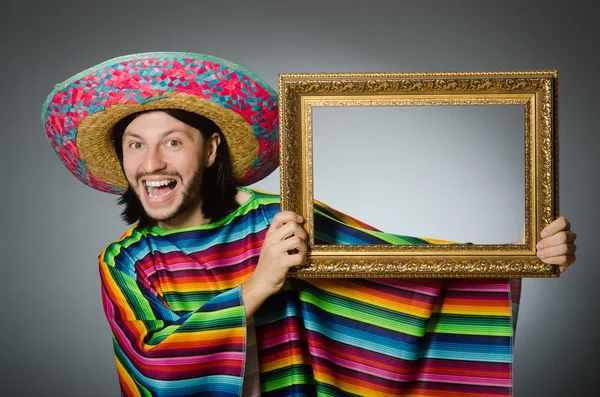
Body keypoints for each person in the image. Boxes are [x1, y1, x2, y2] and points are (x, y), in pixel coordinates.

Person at [42, 52, 576, 397]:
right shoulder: (125, 261)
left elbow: (402, 265)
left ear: (210, 150)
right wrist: (258, 286)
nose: (151, 162)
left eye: (172, 141)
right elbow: (153, 365)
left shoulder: (278, 221)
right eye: (136, 144)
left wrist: (525, 254)